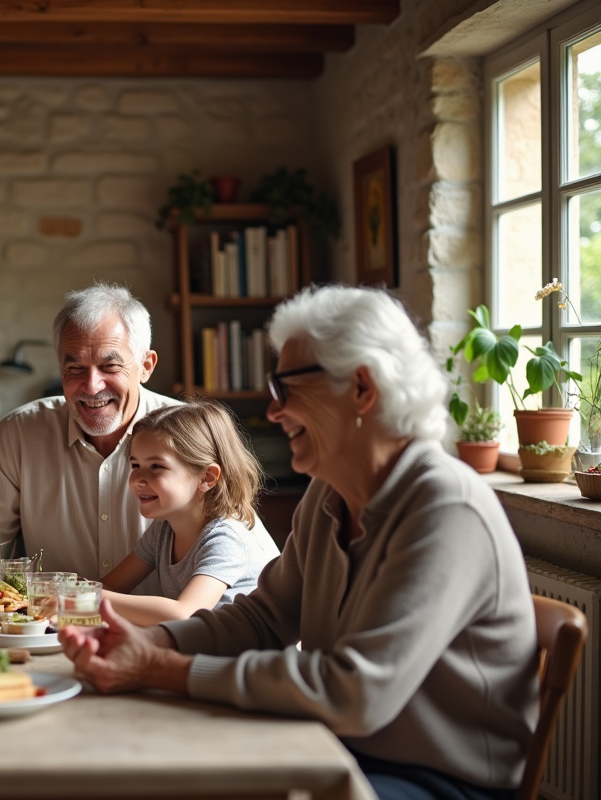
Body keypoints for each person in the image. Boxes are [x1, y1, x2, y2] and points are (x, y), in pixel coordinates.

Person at [59, 285, 539, 800]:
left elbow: (355, 692)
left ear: (361, 389)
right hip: (337, 744)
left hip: (437, 780)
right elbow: (263, 620)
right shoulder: (329, 496)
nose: (273, 411)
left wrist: (164, 668)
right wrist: (152, 643)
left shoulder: (445, 508)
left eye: (286, 387)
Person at [0, 282, 180, 582]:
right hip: (50, 627)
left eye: (109, 366)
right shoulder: (19, 433)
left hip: (169, 628)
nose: (91, 386)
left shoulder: (194, 436)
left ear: (146, 366)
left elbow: (235, 543)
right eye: (75, 368)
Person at [101, 400, 279, 624]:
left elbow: (184, 614)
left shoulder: (226, 537)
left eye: (156, 466)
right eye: (135, 465)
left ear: (207, 477)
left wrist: (89, 598)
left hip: (253, 657)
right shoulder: (164, 530)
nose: (137, 479)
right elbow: (111, 586)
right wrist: (61, 591)